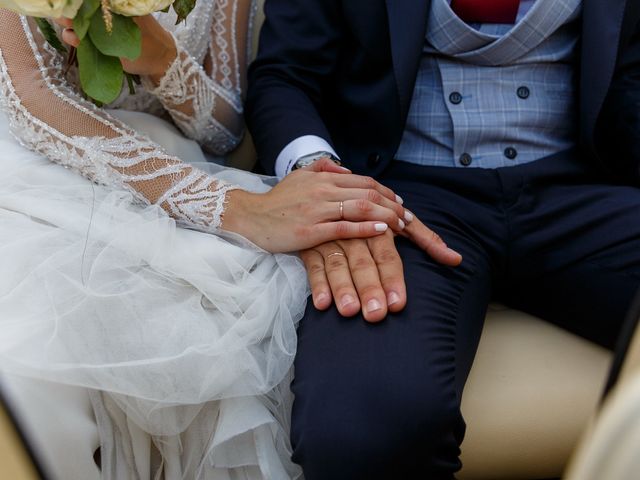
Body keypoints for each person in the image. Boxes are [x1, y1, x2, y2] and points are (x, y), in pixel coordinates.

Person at [0, 1, 412, 479]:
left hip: (171, 156)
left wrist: (161, 59)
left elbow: (224, 128)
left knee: (213, 341)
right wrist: (230, 208)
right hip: (35, 165)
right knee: (36, 355)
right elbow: (34, 97)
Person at [246, 0, 640, 478]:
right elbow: (285, 75)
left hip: (586, 188)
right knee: (359, 431)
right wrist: (322, 181)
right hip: (398, 197)